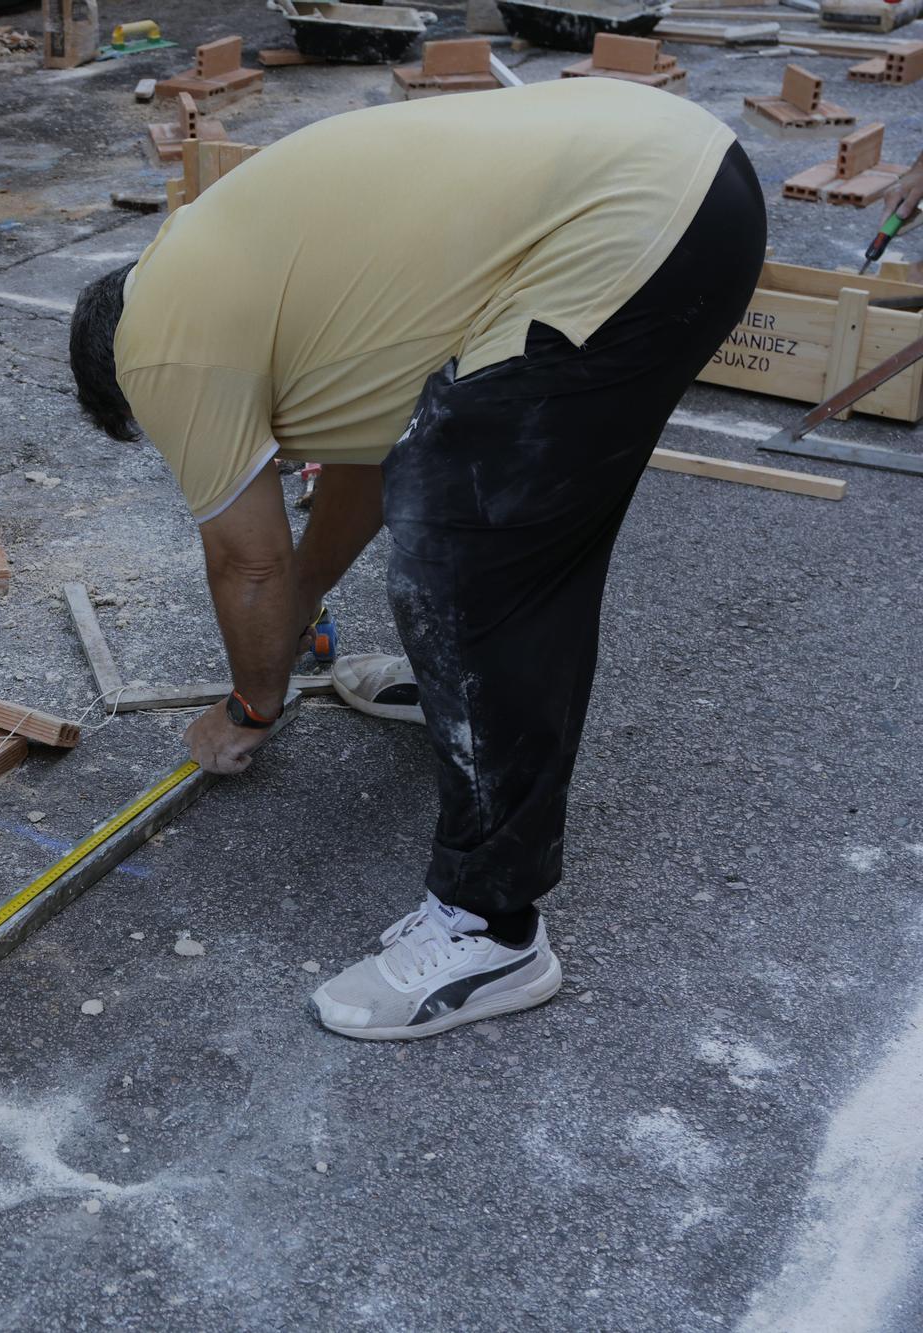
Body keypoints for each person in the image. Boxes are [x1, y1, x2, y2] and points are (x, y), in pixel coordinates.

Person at [68, 81, 765, 1041]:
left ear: (126, 387)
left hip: (630, 226)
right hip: (685, 182)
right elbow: (366, 468)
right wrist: (305, 602)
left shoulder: (162, 349)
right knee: (485, 516)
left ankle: (491, 928)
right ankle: (460, 693)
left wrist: (250, 706)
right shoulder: (249, 275)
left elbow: (249, 563)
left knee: (467, 564)